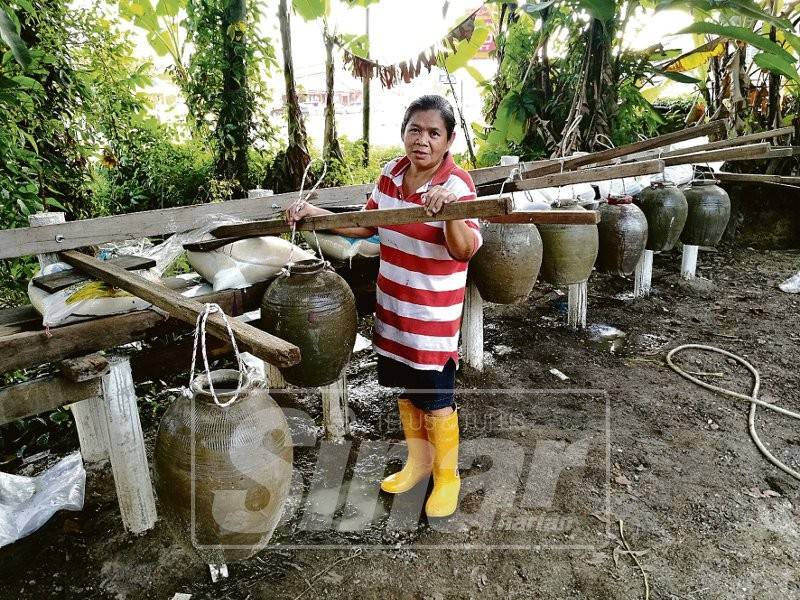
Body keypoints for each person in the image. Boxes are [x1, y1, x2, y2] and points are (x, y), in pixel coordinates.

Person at [286, 94, 481, 518]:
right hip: (394, 311)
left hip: (431, 318)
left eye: (434, 133)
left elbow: (464, 250)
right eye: (415, 130)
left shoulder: (457, 184)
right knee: (407, 391)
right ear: (403, 132)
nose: (422, 140)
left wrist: (449, 212)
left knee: (436, 398)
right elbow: (365, 223)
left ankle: (447, 478)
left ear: (448, 142)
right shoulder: (391, 174)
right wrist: (314, 212)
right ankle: (418, 463)